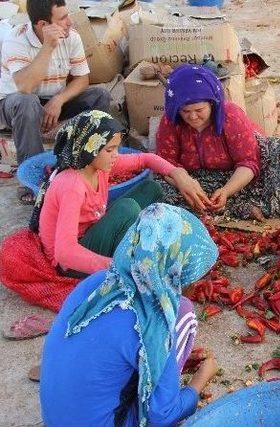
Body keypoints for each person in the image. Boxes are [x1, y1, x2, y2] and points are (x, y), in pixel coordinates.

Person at [40, 203, 219, 426]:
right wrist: (199, 382)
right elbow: (162, 416)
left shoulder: (98, 282)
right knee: (185, 312)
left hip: (55, 419)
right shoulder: (155, 318)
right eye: (195, 275)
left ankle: (159, 373)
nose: (196, 283)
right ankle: (163, 382)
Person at [29, 110, 211, 278]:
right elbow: (65, 253)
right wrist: (117, 266)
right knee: (127, 208)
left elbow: (145, 159)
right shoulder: (72, 185)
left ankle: (134, 242)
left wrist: (178, 174)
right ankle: (130, 252)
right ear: (88, 149)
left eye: (116, 148)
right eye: (109, 150)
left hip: (92, 232)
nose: (115, 155)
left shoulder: (96, 166)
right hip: (71, 264)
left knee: (151, 189)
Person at [156, 65, 280, 220]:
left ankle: (235, 204)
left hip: (240, 173)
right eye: (185, 111)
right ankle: (240, 207)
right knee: (158, 190)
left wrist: (227, 191)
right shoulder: (171, 121)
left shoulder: (230, 116)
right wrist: (182, 180)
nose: (192, 117)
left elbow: (248, 162)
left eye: (199, 110)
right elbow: (164, 163)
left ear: (213, 103)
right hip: (198, 179)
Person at [0, 0, 113, 204]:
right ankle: (32, 179)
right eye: (62, 19)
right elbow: (25, 87)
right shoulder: (14, 39)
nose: (69, 22)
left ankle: (83, 163)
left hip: (53, 99)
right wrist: (48, 47)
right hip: (15, 103)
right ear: (43, 25)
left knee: (100, 96)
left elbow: (82, 79)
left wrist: (58, 100)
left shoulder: (72, 36)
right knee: (27, 102)